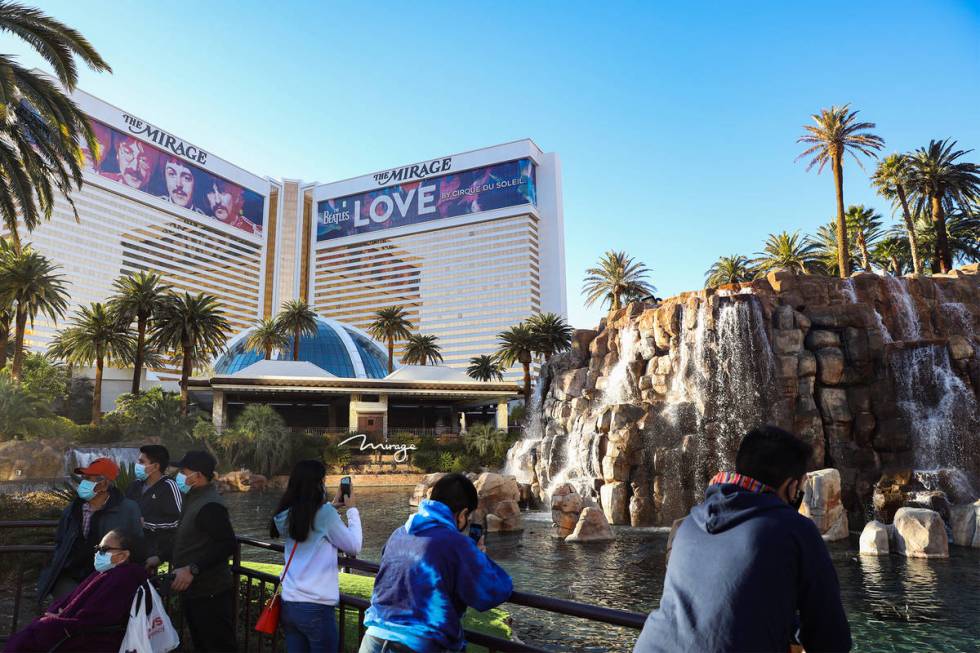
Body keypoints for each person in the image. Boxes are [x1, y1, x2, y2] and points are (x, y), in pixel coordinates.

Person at [633, 425, 852, 653]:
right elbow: (831, 638)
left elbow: (723, 605)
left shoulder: (689, 523)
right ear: (791, 487)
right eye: (801, 489)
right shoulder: (796, 529)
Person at [360, 473, 513, 653]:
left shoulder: (399, 533)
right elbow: (493, 592)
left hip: (373, 637)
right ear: (463, 514)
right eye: (468, 517)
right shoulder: (457, 544)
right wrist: (479, 558)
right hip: (417, 644)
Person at [270, 460, 362, 652]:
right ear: (318, 484)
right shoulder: (324, 514)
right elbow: (353, 546)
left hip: (290, 603)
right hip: (316, 607)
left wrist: (332, 506)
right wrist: (352, 509)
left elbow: (309, 520)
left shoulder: (286, 514)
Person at [5, 529, 147, 653]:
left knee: (35, 633)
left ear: (123, 556)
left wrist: (62, 620)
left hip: (90, 637)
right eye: (97, 548)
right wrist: (63, 613)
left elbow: (100, 617)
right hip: (79, 630)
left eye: (103, 549)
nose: (98, 553)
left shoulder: (123, 578)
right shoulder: (108, 573)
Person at [36, 458, 143, 605]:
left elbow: (137, 545)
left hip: (109, 578)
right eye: (83, 478)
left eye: (88, 479)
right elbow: (60, 541)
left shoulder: (129, 510)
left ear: (104, 484)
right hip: (71, 575)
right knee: (71, 610)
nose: (83, 483)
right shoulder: (72, 510)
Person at [169, 450, 238, 652]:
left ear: (198, 475)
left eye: (184, 471)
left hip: (211, 593)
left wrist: (193, 569)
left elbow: (227, 544)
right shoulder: (194, 497)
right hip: (196, 592)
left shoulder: (210, 505)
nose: (179, 476)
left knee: (217, 645)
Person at [126, 444, 182, 572]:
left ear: (156, 466)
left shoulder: (170, 486)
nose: (137, 465)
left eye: (141, 462)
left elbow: (178, 521)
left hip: (153, 556)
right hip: (131, 551)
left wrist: (146, 522)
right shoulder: (135, 485)